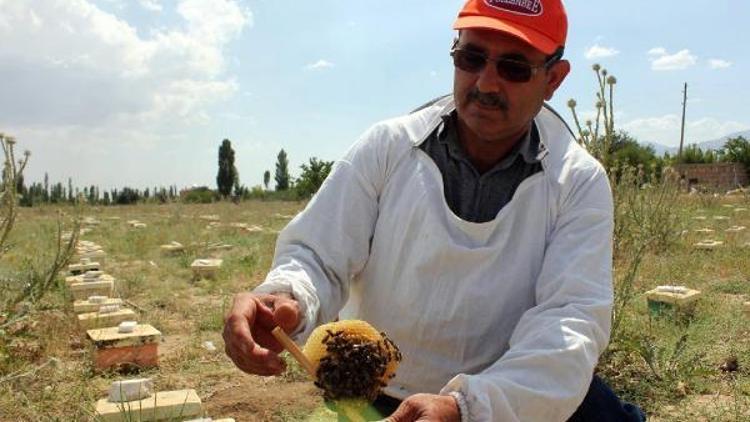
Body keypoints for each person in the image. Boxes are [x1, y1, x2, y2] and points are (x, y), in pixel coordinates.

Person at [224, 0, 646, 420]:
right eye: (471, 57)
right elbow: (317, 254)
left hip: (512, 394)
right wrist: (284, 298)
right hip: (379, 390)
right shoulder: (387, 148)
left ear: (554, 78)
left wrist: (467, 407)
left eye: (515, 67)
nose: (486, 83)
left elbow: (569, 321)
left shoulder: (577, 181)